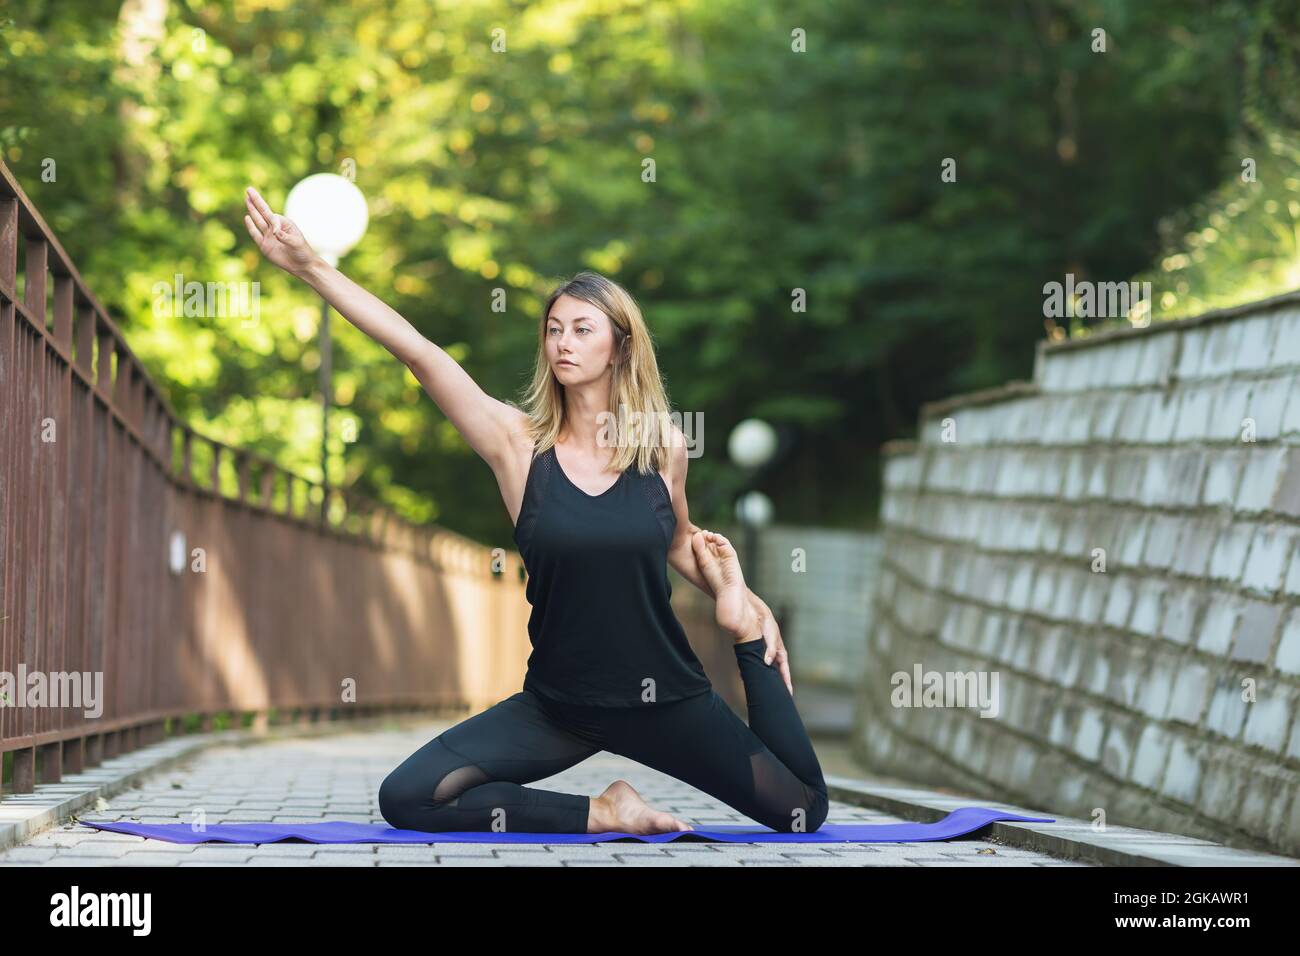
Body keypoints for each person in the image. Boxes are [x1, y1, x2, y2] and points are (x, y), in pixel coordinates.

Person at [243, 186, 829, 835]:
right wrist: (311, 267)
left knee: (802, 810)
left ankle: (747, 637)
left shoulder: (663, 447)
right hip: (560, 707)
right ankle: (606, 811)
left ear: (621, 347)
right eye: (554, 330)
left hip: (666, 698)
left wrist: (740, 600)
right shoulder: (517, 447)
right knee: (407, 798)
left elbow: (680, 537)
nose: (562, 344)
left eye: (582, 329)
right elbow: (419, 353)